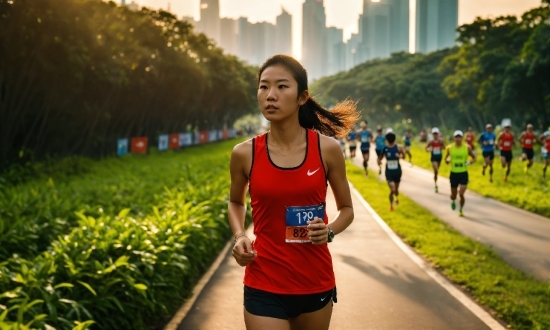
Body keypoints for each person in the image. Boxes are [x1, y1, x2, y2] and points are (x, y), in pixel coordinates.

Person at [228, 55, 358, 330]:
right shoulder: (244, 153)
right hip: (263, 281)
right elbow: (235, 202)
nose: (270, 95)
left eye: (282, 86)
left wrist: (330, 230)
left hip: (315, 282)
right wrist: (240, 235)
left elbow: (347, 210)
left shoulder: (327, 149)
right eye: (264, 87)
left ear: (302, 97)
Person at [445, 130, 476, 217]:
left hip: (463, 173)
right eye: (456, 137)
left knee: (461, 193)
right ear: (454, 138)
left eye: (459, 137)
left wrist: (469, 162)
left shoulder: (467, 147)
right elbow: (446, 158)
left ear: (462, 138)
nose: (458, 139)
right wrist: (447, 160)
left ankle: (461, 209)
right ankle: (453, 200)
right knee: (453, 196)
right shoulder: (450, 148)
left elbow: (474, 158)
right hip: (453, 174)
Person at [378, 129, 404, 211]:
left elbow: (404, 156)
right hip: (389, 172)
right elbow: (379, 158)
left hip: (397, 171)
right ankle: (391, 205)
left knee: (396, 190)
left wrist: (399, 156)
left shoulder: (399, 147)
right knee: (392, 189)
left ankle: (396, 197)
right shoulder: (385, 148)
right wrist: (379, 163)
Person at [425, 127, 445, 193]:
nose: (435, 135)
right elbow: (426, 148)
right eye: (434, 134)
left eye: (436, 134)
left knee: (436, 172)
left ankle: (435, 183)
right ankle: (435, 184)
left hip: (439, 157)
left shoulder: (441, 141)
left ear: (438, 134)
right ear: (432, 134)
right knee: (435, 169)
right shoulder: (431, 141)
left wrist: (440, 147)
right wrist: (430, 149)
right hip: (433, 158)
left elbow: (444, 147)